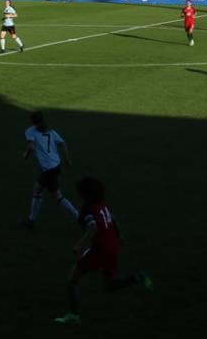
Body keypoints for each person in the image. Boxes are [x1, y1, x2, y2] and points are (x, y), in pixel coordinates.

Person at [53, 176, 152, 325]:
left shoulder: (87, 209)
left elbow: (93, 227)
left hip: (100, 249)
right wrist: (119, 235)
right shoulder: (101, 205)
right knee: (109, 285)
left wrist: (79, 245)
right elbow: (112, 217)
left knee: (72, 280)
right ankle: (137, 277)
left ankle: (74, 315)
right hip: (112, 245)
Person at [23, 111, 78, 228]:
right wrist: (67, 159)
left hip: (48, 169)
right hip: (56, 166)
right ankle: (78, 217)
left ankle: (31, 220)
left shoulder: (30, 131)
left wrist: (26, 154)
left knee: (38, 191)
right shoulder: (51, 132)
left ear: (32, 122)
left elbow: (31, 147)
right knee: (56, 195)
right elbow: (63, 143)